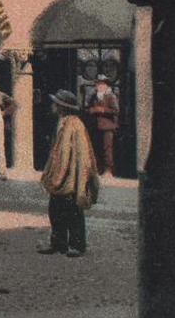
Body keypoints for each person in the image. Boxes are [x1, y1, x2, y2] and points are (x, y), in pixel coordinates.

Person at [39, 88, 100, 257]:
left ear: (61, 106)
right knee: (55, 210)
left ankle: (77, 245)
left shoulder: (75, 124)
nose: (52, 106)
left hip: (71, 176)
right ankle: (58, 243)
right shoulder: (61, 122)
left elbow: (82, 153)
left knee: (73, 211)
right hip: (58, 175)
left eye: (55, 104)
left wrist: (81, 177)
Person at [87, 73, 120, 176]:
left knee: (107, 148)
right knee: (97, 147)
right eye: (98, 84)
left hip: (108, 127)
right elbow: (89, 107)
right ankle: (99, 168)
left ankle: (108, 169)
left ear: (106, 85)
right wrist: (91, 110)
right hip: (97, 126)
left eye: (101, 84)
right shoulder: (94, 97)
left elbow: (115, 110)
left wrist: (102, 110)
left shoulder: (111, 96)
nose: (99, 86)